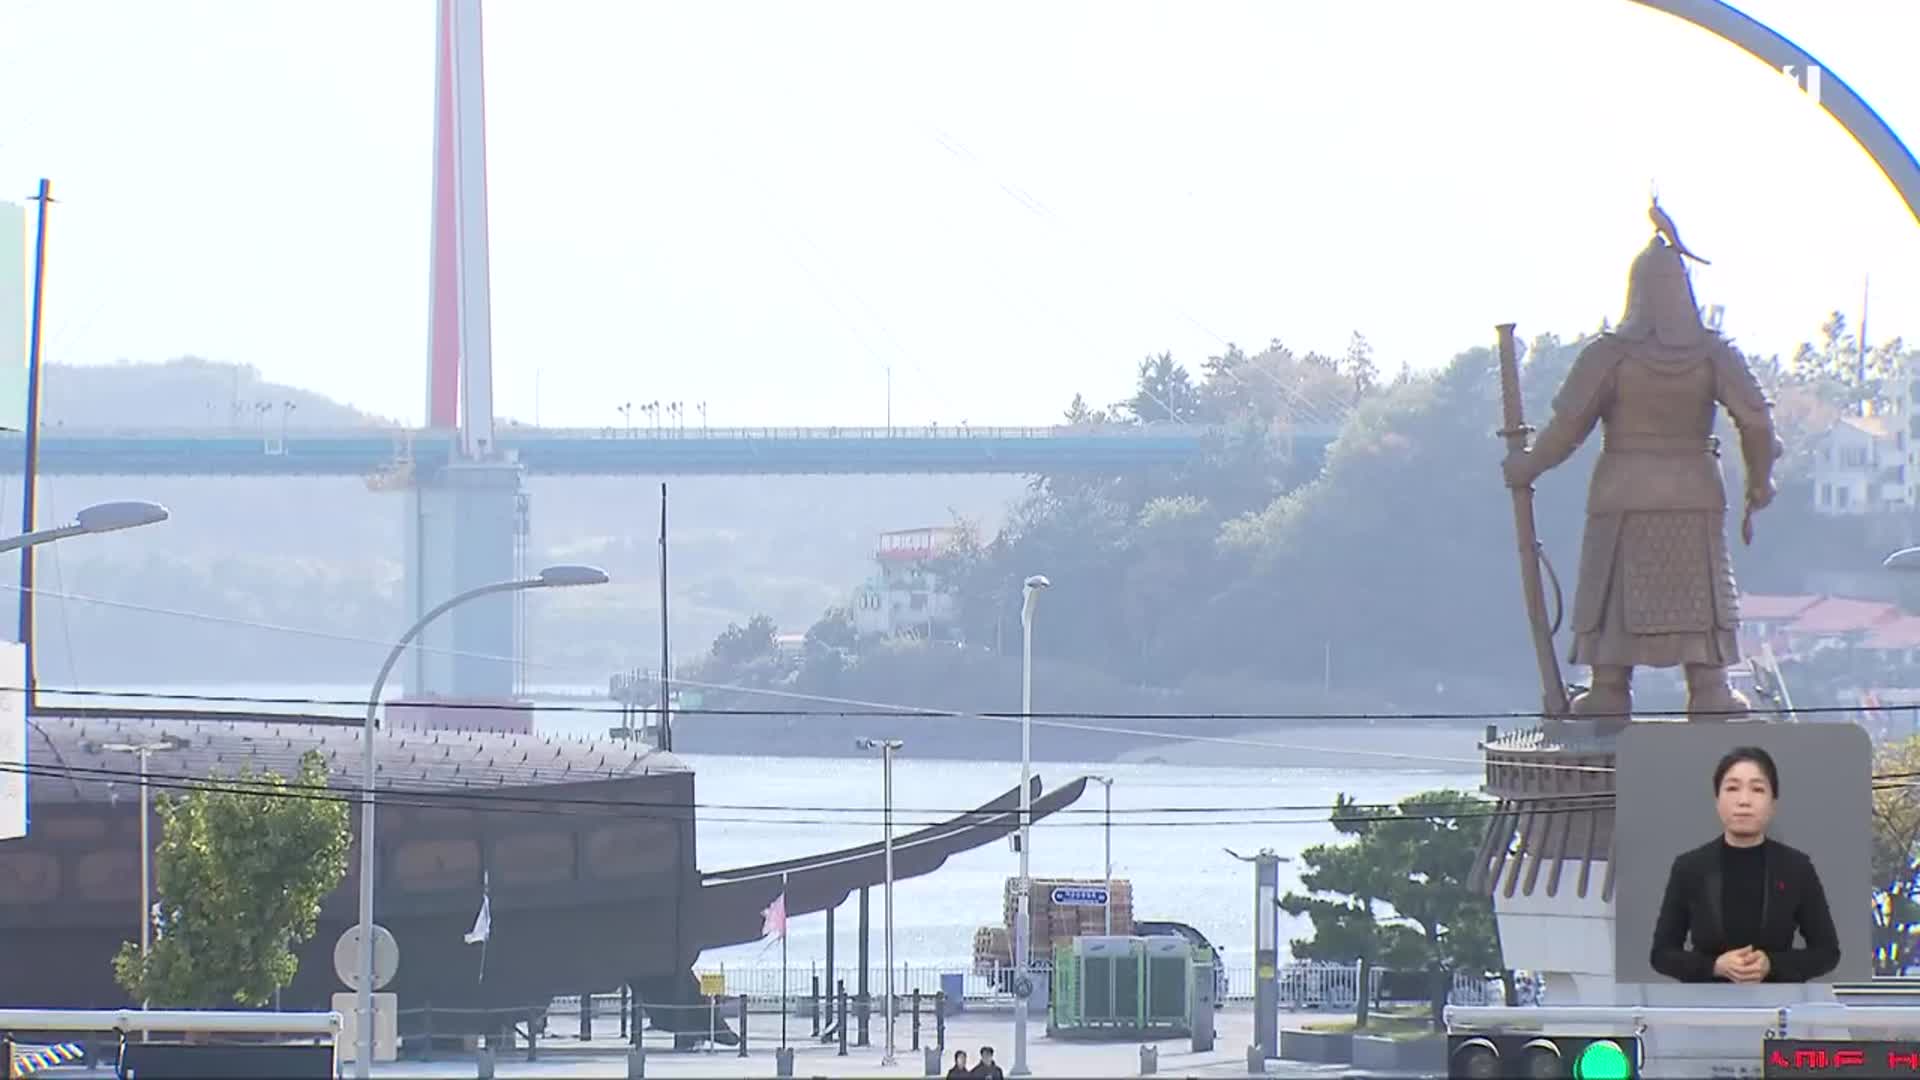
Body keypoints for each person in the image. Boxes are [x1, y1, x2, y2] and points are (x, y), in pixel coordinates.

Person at [1501, 201, 1781, 723]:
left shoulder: (1609, 354)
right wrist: (1760, 479)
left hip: (1624, 489)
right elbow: (1758, 422)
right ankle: (1708, 687)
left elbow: (1567, 427)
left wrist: (1529, 465)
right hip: (1693, 490)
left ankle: (1610, 686)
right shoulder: (1715, 353)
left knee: (1617, 590)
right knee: (1700, 592)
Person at [1649, 746, 1840, 983]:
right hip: (1708, 1007)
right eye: (1732, 788)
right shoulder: (1689, 867)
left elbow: (1827, 952)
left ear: (1773, 804)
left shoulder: (1796, 867)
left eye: (1757, 789)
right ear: (1717, 800)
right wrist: (1714, 966)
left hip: (1776, 1009)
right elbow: (1662, 954)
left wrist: (1772, 964)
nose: (1744, 801)